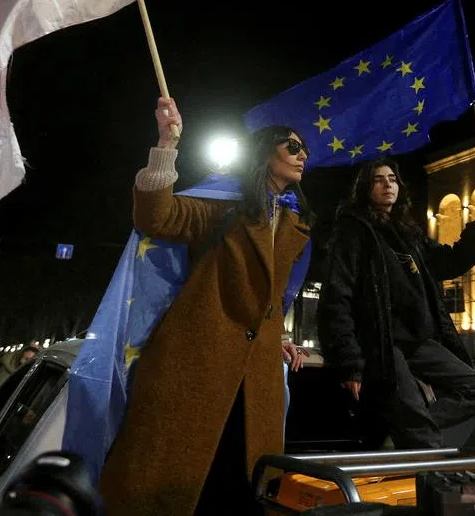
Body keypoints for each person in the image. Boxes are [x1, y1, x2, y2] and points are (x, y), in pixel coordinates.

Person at [99, 98, 314, 516]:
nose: (302, 153)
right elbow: (156, 217)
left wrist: (276, 338)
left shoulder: (295, 223)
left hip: (257, 383)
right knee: (180, 488)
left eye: (303, 147)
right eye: (291, 145)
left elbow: (269, 301)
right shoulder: (223, 204)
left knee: (242, 489)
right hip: (195, 368)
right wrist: (166, 147)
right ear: (263, 153)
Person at [319, 158, 475, 449]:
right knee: (419, 428)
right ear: (365, 188)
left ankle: (407, 429)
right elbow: (338, 298)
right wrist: (349, 363)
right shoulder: (353, 231)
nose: (387, 185)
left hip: (420, 341)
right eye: (378, 180)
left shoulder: (409, 234)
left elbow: (450, 261)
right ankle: (416, 435)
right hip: (384, 345)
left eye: (392, 179)